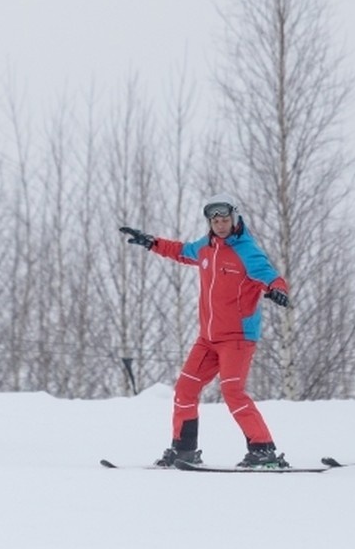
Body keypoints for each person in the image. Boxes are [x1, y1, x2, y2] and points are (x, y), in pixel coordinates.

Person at [120, 193, 291, 468]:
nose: (221, 225)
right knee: (185, 389)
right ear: (209, 223)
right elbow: (180, 251)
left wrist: (278, 291)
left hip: (237, 338)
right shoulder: (205, 247)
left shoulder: (247, 250)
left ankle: (263, 449)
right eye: (215, 220)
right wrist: (151, 242)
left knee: (233, 391)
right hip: (207, 339)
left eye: (225, 219)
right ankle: (183, 450)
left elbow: (271, 277)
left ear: (234, 219)